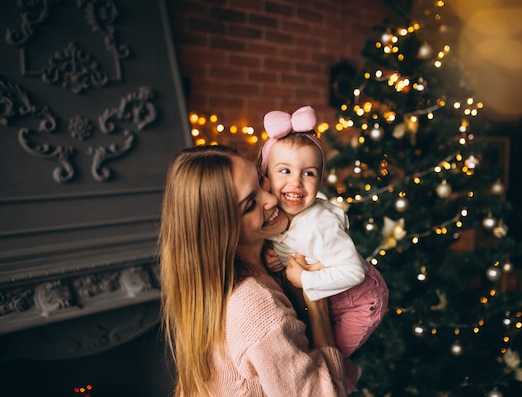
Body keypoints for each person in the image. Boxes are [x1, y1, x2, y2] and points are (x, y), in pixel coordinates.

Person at [159, 145, 349, 397]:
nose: (271, 199)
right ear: (221, 231)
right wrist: (317, 299)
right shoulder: (256, 307)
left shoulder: (219, 283)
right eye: (250, 205)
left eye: (261, 181)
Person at [259, 106, 389, 390]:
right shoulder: (278, 213)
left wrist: (303, 279)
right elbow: (291, 245)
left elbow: (353, 271)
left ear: (320, 180)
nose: (296, 182)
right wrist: (277, 258)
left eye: (308, 173)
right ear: (265, 176)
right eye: (284, 170)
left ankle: (347, 380)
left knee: (328, 359)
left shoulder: (320, 224)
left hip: (360, 300)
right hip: (333, 291)